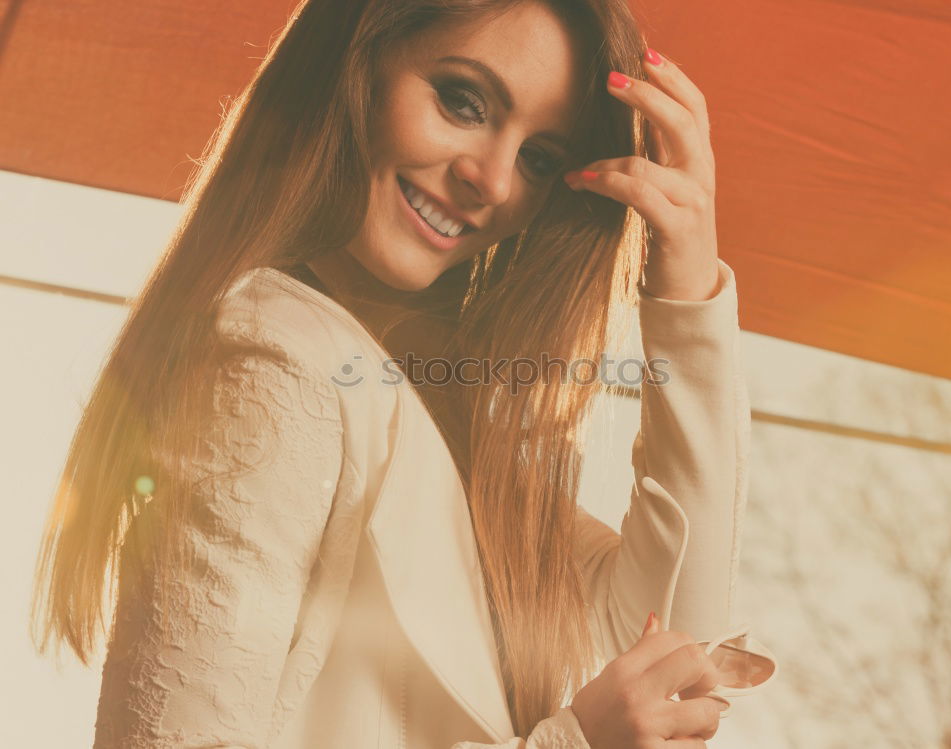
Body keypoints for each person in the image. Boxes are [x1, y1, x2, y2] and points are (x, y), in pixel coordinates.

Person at [29, 0, 777, 746]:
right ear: (357, 63)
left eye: (539, 158)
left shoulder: (432, 414)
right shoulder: (276, 362)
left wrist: (687, 291)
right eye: (463, 100)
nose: (493, 179)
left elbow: (669, 655)